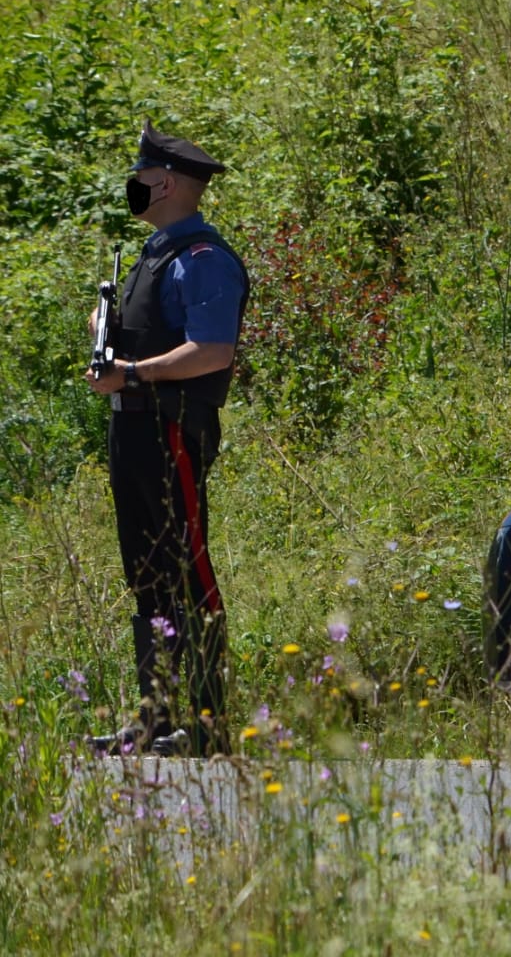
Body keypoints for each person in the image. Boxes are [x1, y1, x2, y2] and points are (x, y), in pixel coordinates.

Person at [86, 122, 248, 756]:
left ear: (169, 182)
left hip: (173, 427)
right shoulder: (153, 257)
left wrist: (133, 373)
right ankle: (156, 718)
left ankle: (208, 726)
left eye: (142, 176)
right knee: (146, 575)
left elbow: (212, 350)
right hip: (132, 427)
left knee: (188, 569)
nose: (135, 185)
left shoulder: (203, 259)